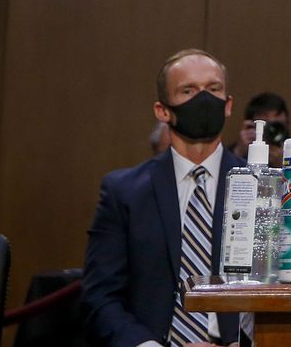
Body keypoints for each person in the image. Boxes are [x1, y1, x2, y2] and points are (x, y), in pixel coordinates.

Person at [83, 49, 249, 347]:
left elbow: (283, 288)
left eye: (213, 89)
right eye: (188, 91)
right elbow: (100, 298)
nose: (203, 99)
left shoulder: (262, 186)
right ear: (163, 111)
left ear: (228, 104)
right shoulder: (124, 192)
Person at [229, 91, 288, 167]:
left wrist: (284, 164)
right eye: (265, 124)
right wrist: (239, 152)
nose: (271, 130)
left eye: (276, 126)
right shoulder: (239, 150)